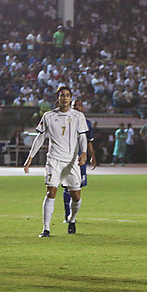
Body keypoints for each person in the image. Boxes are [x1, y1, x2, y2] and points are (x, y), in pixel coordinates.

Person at [23, 86, 88, 237]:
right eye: (61, 95)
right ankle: (46, 229)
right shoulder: (48, 116)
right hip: (54, 159)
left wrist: (83, 153)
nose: (64, 98)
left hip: (71, 161)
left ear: (70, 98)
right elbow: (40, 137)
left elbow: (83, 137)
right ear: (57, 98)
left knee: (76, 197)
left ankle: (72, 219)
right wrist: (30, 157)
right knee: (51, 191)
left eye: (67, 95)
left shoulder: (78, 116)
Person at [63, 99, 97, 223]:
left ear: (83, 108)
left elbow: (89, 142)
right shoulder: (65, 121)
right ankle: (67, 216)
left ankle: (72, 215)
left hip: (81, 160)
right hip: (67, 159)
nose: (77, 107)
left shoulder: (87, 123)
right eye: (74, 105)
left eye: (79, 105)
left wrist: (92, 156)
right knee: (67, 187)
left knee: (77, 189)